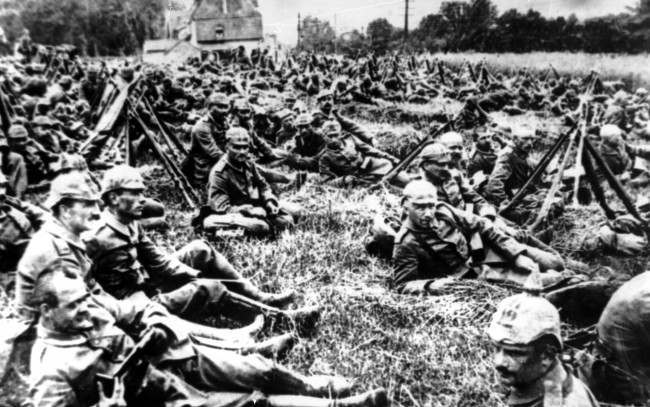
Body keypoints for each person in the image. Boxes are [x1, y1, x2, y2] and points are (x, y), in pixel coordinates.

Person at [28, 261, 388, 407]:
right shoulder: (50, 371)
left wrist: (152, 332)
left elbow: (129, 312)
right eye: (73, 307)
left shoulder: (84, 314)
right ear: (45, 311)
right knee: (251, 403)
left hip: (171, 363)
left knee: (255, 370)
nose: (85, 312)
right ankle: (338, 406)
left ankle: (311, 387)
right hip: (156, 399)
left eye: (84, 302)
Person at [86, 165, 309, 326]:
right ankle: (277, 320)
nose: (143, 199)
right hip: (141, 307)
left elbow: (158, 261)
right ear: (114, 198)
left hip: (147, 284)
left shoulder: (128, 221)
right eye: (135, 193)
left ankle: (259, 297)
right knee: (208, 289)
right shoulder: (105, 239)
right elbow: (132, 296)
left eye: (142, 192)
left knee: (200, 250)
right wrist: (193, 282)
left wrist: (189, 272)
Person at [392, 180, 565, 294]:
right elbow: (401, 285)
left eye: (431, 205)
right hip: (474, 276)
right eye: (420, 207)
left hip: (486, 251)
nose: (429, 213)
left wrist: (516, 255)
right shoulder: (406, 242)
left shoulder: (443, 210)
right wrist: (430, 286)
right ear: (405, 206)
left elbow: (482, 223)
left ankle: (530, 242)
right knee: (548, 281)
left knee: (555, 264)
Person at [487, 282, 599, 407]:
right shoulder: (532, 380)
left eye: (515, 353)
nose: (499, 362)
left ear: (547, 355)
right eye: (497, 348)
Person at [206, 127, 301, 235]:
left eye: (245, 147)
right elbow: (222, 208)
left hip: (254, 205)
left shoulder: (248, 163)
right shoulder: (219, 173)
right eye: (236, 147)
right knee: (261, 227)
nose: (242, 152)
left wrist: (269, 201)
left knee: (293, 214)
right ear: (226, 146)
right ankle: (222, 233)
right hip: (232, 214)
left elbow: (263, 185)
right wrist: (248, 210)